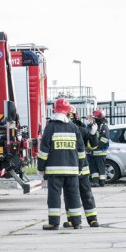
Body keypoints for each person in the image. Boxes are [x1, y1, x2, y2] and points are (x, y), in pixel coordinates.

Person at [37, 98, 87, 230]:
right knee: (73, 195)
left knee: (54, 196)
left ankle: (54, 223)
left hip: (54, 171)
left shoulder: (50, 127)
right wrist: (80, 167)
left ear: (54, 110)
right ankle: (77, 222)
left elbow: (43, 151)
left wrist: (41, 168)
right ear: (67, 111)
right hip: (72, 170)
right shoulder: (74, 127)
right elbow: (81, 151)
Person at [65, 106, 99, 227]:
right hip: (72, 169)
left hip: (77, 170)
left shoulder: (81, 130)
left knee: (77, 195)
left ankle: (90, 219)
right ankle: (81, 220)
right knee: (79, 195)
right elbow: (92, 147)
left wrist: (93, 134)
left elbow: (92, 146)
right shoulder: (79, 129)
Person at [87, 110, 110, 187]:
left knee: (101, 168)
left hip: (100, 152)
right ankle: (95, 182)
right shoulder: (93, 126)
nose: (94, 118)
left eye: (95, 117)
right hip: (92, 152)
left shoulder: (104, 127)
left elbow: (105, 139)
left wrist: (97, 146)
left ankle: (102, 182)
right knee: (93, 168)